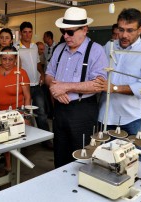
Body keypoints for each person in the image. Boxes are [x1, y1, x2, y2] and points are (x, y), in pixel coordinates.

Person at [45, 7, 108, 168]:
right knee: (60, 154)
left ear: (84, 30)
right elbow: (48, 75)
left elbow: (98, 84)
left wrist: (65, 87)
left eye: (70, 32)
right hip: (59, 110)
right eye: (63, 31)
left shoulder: (96, 51)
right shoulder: (59, 49)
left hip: (82, 111)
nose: (65, 36)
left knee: (82, 157)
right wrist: (54, 88)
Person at [96, 8, 141, 163]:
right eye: (121, 29)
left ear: (140, 30)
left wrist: (114, 88)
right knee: (106, 160)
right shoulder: (109, 46)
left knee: (137, 161)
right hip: (106, 116)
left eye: (130, 30)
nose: (124, 35)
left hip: (132, 118)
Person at [0, 46, 31, 171]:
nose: (7, 62)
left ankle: (10, 168)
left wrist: (25, 116)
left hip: (15, 114)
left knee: (12, 142)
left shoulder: (21, 73)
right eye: (4, 59)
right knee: (1, 140)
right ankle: (7, 165)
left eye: (11, 59)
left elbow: (27, 96)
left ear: (16, 59)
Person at [15, 22, 50, 135]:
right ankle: (26, 139)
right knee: (26, 113)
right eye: (25, 32)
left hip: (36, 85)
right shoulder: (16, 47)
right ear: (20, 33)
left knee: (41, 112)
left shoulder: (35, 46)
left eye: (30, 32)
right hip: (24, 86)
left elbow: (38, 63)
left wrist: (43, 75)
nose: (27, 35)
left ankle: (45, 138)